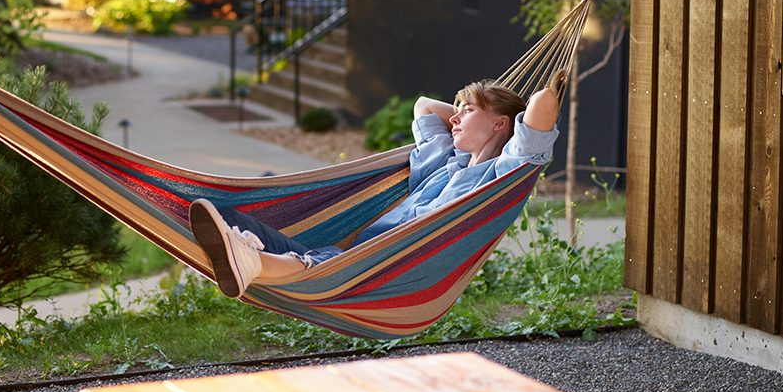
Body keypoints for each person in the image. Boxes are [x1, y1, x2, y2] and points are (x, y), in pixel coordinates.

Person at [190, 80, 562, 299]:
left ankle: (251, 262)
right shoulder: (444, 162)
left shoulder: (502, 175)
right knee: (228, 216)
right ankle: (245, 255)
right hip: (351, 257)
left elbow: (544, 101)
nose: (454, 117)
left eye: (465, 111)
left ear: (501, 123)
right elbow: (423, 106)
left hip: (391, 268)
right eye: (459, 108)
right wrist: (476, 110)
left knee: (315, 266)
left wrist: (493, 112)